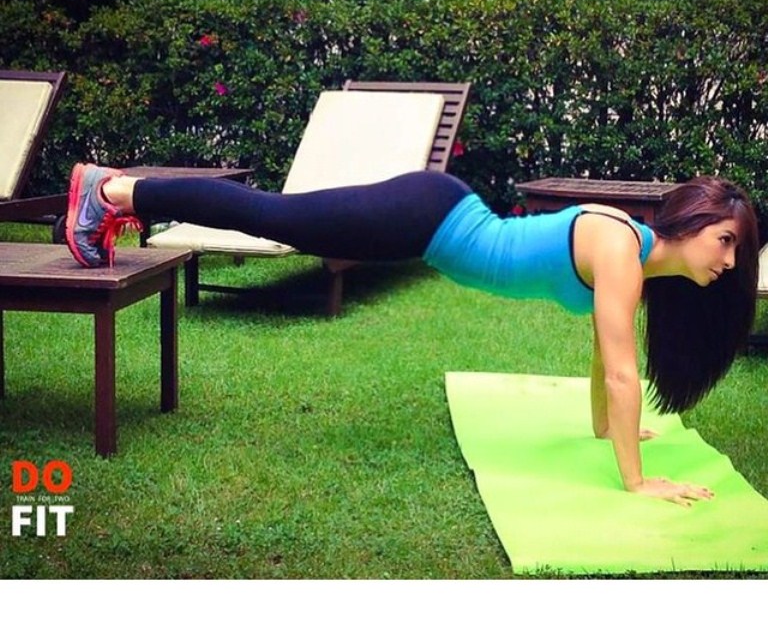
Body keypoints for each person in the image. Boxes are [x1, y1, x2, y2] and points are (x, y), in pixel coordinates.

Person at [65, 163, 759, 507]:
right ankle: (113, 190)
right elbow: (621, 371)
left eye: (738, 249)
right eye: (725, 240)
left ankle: (117, 195)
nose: (728, 261)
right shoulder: (622, 251)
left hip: (434, 220)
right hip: (429, 219)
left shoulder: (632, 256)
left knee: (276, 218)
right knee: (272, 216)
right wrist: (637, 483)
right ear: (693, 219)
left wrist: (609, 430)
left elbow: (607, 358)